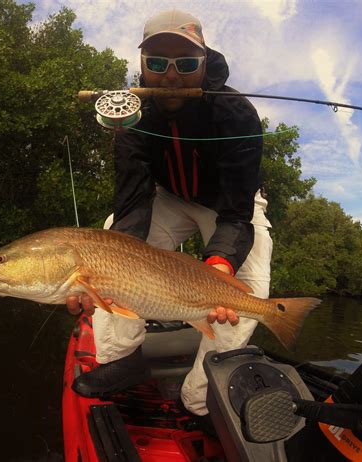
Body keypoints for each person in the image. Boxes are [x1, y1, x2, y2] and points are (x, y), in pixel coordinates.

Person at [67, 9, 273, 419]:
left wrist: (218, 266)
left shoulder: (236, 114)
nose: (171, 76)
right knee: (109, 244)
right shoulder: (132, 116)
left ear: (204, 62)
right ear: (142, 65)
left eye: (185, 64)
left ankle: (202, 396)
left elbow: (237, 212)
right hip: (169, 197)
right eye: (157, 64)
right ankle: (121, 358)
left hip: (229, 205)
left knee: (249, 291)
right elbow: (132, 203)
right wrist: (102, 271)